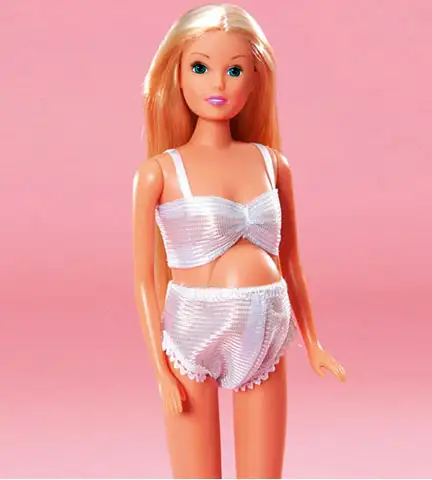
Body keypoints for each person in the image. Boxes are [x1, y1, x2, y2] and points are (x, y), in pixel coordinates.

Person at [132, 3, 347, 478]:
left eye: (234, 70)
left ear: (255, 79)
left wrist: (313, 342)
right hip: (192, 333)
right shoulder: (159, 172)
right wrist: (160, 370)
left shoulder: (272, 163)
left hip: (266, 330)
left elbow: (291, 263)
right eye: (200, 67)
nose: (218, 84)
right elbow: (144, 281)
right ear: (177, 74)